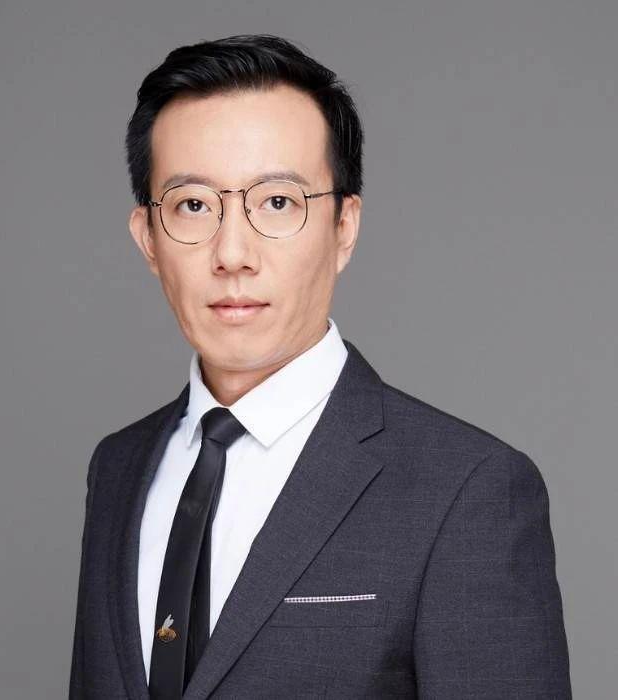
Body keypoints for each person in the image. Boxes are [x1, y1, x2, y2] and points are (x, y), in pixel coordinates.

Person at [69, 34, 571, 699]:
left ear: (344, 228)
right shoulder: (118, 467)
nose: (233, 253)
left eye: (277, 202)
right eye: (193, 205)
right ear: (148, 240)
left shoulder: (467, 489)